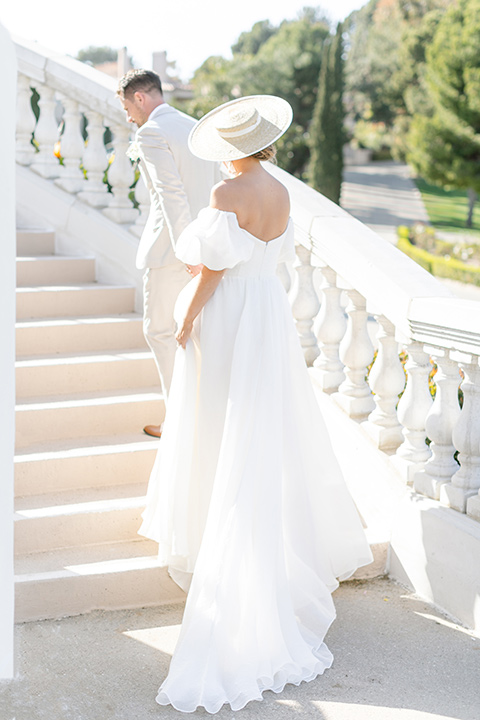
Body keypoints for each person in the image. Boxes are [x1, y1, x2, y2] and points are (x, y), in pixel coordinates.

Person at [139, 95, 373, 713]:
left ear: (228, 149)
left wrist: (183, 321)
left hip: (231, 316)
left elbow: (209, 272)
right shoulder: (282, 192)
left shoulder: (225, 196)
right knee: (260, 428)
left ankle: (225, 556)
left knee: (221, 425)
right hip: (266, 314)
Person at [117, 69, 220, 437]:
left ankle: (178, 423)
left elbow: (171, 196)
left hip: (172, 254)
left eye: (127, 106)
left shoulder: (151, 133)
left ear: (140, 98)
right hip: (206, 252)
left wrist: (187, 252)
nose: (128, 116)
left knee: (160, 331)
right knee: (195, 336)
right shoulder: (196, 129)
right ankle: (201, 417)